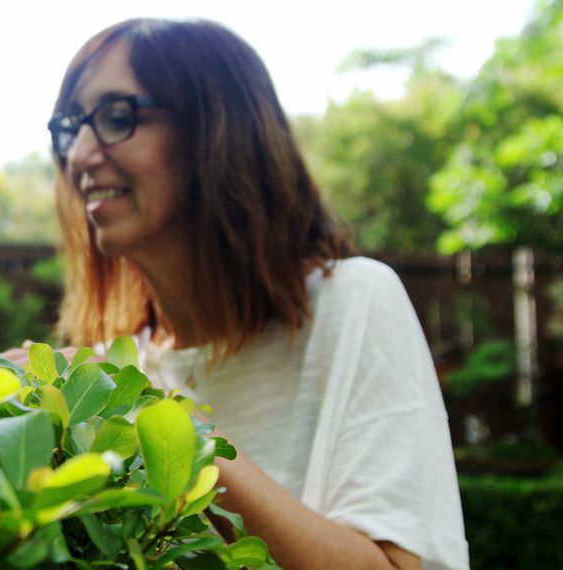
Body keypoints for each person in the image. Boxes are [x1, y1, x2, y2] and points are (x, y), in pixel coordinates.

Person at [28, 18, 467, 570]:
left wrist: (164, 425)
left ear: (216, 131)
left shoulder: (354, 301)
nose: (81, 156)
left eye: (117, 117)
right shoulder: (112, 372)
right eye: (71, 127)